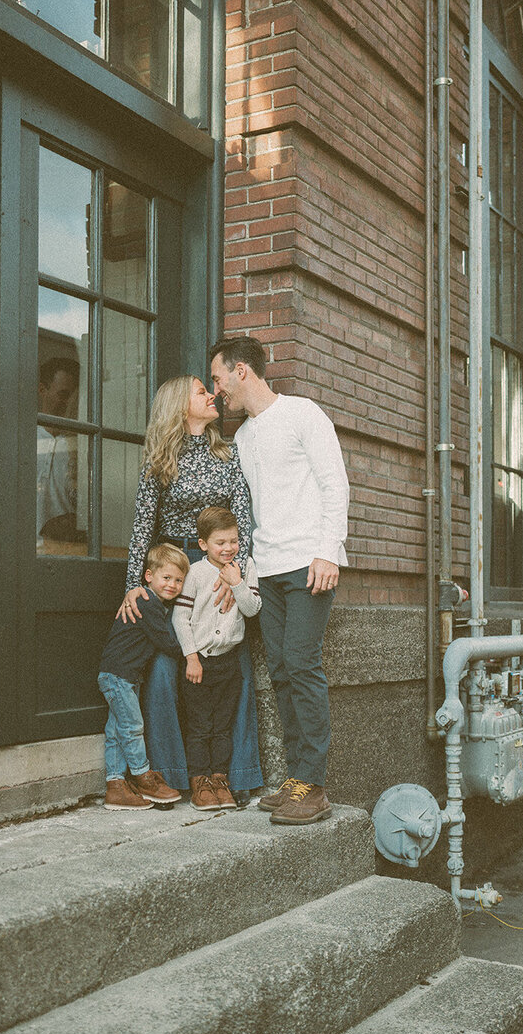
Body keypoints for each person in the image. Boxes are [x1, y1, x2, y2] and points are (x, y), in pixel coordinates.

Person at [210, 335, 350, 825]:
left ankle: (313, 786)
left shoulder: (303, 414)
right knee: (283, 672)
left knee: (301, 663)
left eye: (218, 376)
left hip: (309, 564)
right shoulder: (245, 437)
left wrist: (328, 550)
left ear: (242, 370)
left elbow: (335, 482)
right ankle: (296, 779)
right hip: (266, 570)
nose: (216, 387)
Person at [118, 375, 262, 803]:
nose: (212, 394)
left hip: (220, 569)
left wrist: (231, 569)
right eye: (202, 391)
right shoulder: (161, 461)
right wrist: (133, 586)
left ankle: (232, 774)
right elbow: (143, 526)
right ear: (181, 406)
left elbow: (243, 517)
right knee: (166, 669)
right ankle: (175, 775)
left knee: (234, 668)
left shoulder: (226, 453)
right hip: (173, 573)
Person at [172, 507, 262, 811]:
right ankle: (200, 782)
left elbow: (251, 609)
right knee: (200, 726)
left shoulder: (245, 567)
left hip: (228, 663)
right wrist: (191, 658)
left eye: (233, 541)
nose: (228, 548)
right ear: (203, 544)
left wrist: (237, 582)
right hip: (200, 663)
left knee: (223, 726)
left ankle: (220, 779)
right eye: (220, 542)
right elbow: (180, 618)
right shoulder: (196, 573)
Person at [97, 543, 189, 810]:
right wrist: (191, 653)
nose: (172, 585)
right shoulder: (147, 603)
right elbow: (167, 641)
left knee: (116, 730)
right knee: (133, 727)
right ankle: (142, 776)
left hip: (122, 676)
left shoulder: (151, 602)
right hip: (119, 676)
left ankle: (115, 786)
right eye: (166, 578)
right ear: (149, 576)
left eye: (179, 580)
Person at [37, 356, 81, 547]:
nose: (68, 403)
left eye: (73, 397)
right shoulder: (22, 440)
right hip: (23, 550)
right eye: (63, 395)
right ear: (42, 390)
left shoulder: (82, 445)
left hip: (67, 549)